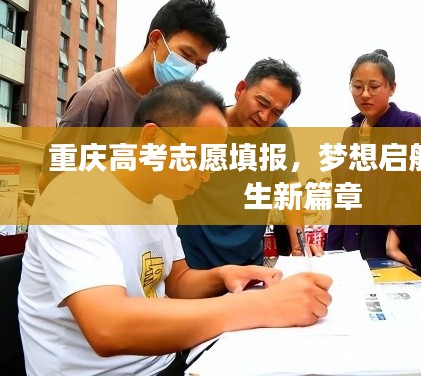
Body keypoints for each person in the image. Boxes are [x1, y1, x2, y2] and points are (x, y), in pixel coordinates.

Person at [18, 80, 333, 376]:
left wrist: (223, 275)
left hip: (167, 361)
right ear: (152, 139)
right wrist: (261, 306)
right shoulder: (74, 198)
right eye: (199, 159)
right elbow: (108, 327)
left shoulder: (160, 201)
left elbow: (177, 282)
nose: (206, 175)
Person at [38, 0, 228, 193]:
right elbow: (49, 180)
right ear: (155, 39)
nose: (190, 68)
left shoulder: (169, 108)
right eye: (186, 55)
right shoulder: (99, 94)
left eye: (198, 64)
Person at [177, 58, 316, 270]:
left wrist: (299, 247)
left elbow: (288, 190)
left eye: (276, 112)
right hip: (196, 263)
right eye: (262, 102)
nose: (265, 116)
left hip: (249, 263)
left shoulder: (277, 133)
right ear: (241, 89)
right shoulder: (204, 126)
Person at [325, 49, 421, 271]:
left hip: (391, 246)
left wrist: (394, 239)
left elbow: (412, 189)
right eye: (357, 87)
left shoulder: (408, 124)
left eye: (374, 87)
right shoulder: (350, 133)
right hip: (352, 246)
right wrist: (331, 250)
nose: (365, 94)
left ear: (392, 88)